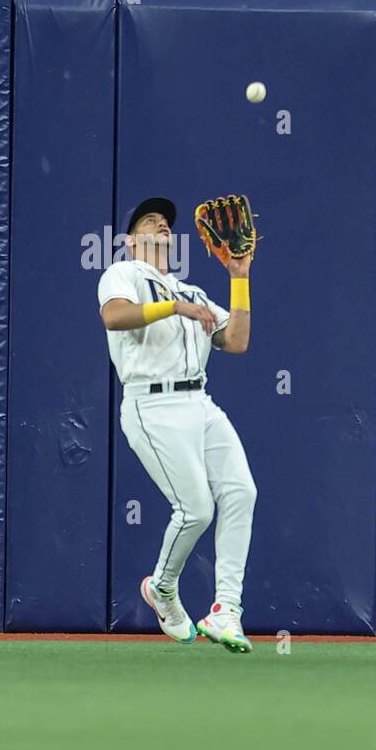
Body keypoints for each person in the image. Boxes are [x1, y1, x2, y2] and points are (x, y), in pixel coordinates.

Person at [98, 196, 257, 653]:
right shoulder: (122, 274)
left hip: (199, 401)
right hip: (152, 405)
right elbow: (114, 316)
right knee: (196, 511)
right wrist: (173, 309)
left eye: (166, 222)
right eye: (150, 221)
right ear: (130, 241)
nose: (162, 226)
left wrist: (239, 278)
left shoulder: (193, 292)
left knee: (242, 492)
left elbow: (237, 341)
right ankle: (162, 588)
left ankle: (226, 609)